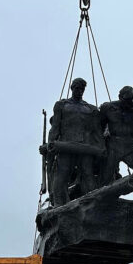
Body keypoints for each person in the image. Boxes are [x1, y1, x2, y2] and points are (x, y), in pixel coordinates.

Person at [46, 77, 105, 206]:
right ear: (72, 88)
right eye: (77, 88)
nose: (79, 91)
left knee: (87, 174)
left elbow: (96, 131)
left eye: (82, 89)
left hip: (85, 147)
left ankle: (92, 205)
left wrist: (101, 147)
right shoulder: (62, 105)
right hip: (66, 146)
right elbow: (55, 127)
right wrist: (51, 142)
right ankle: (59, 205)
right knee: (62, 175)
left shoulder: (90, 109)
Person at [100, 79, 133, 198]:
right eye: (126, 99)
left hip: (130, 146)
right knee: (106, 176)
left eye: (131, 99)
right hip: (113, 146)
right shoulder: (108, 107)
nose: (129, 102)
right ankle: (102, 198)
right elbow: (99, 127)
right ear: (120, 97)